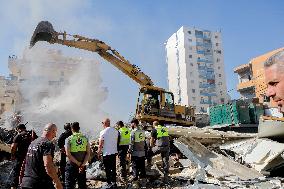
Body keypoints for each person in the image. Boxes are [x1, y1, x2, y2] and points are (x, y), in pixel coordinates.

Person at [21, 123, 63, 189]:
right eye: (55, 132)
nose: (55, 135)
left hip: (27, 182)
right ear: (53, 131)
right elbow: (48, 165)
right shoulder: (47, 143)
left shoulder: (33, 143)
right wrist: (57, 182)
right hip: (40, 183)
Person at [65, 122, 90, 189]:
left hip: (72, 165)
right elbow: (88, 153)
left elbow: (68, 155)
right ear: (79, 128)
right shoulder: (85, 138)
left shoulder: (69, 139)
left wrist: (77, 163)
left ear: (71, 129)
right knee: (82, 185)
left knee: (69, 185)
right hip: (82, 166)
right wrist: (82, 164)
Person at [97, 118, 118, 188]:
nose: (102, 124)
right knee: (113, 168)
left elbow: (100, 145)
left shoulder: (102, 132)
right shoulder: (116, 131)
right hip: (114, 153)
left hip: (106, 153)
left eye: (102, 123)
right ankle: (114, 183)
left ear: (105, 123)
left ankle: (109, 183)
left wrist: (98, 153)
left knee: (108, 169)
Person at [10, 124, 33, 189]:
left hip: (21, 158)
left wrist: (12, 155)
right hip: (31, 158)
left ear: (19, 129)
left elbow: (13, 147)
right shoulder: (32, 135)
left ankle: (14, 187)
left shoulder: (19, 135)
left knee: (16, 174)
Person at [129, 119, 147, 187]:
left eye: (131, 123)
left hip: (135, 154)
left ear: (134, 123)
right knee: (142, 168)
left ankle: (135, 183)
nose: (131, 125)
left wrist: (129, 152)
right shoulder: (142, 132)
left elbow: (131, 143)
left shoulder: (133, 132)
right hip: (142, 153)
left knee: (135, 167)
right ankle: (143, 183)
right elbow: (144, 143)